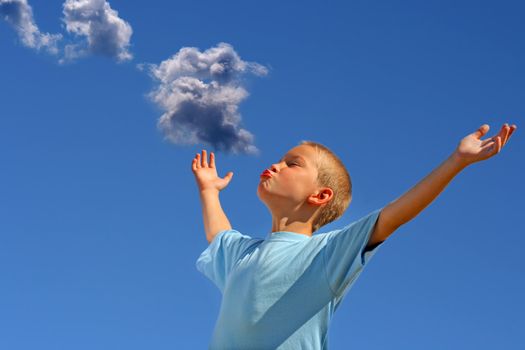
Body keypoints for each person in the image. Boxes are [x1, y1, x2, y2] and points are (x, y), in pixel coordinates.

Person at [192, 123, 517, 349]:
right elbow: (219, 234)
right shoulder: (242, 256)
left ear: (320, 196)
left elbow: (394, 215)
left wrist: (456, 162)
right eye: (279, 160)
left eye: (292, 164)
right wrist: (209, 191)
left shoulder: (326, 254)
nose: (275, 165)